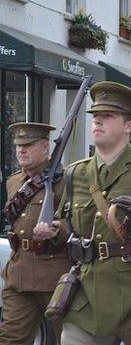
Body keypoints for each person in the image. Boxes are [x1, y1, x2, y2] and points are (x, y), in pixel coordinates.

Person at [36, 81, 131, 344]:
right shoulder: (76, 172)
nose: (97, 122)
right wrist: (56, 230)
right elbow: (68, 224)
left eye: (107, 116)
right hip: (86, 295)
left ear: (129, 125)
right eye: (96, 116)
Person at [0, 123, 70, 344]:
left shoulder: (66, 180)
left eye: (28, 145)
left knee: (68, 339)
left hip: (54, 276)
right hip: (19, 274)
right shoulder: (14, 183)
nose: (21, 150)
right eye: (19, 145)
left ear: (45, 148)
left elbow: (79, 222)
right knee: (11, 338)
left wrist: (58, 229)